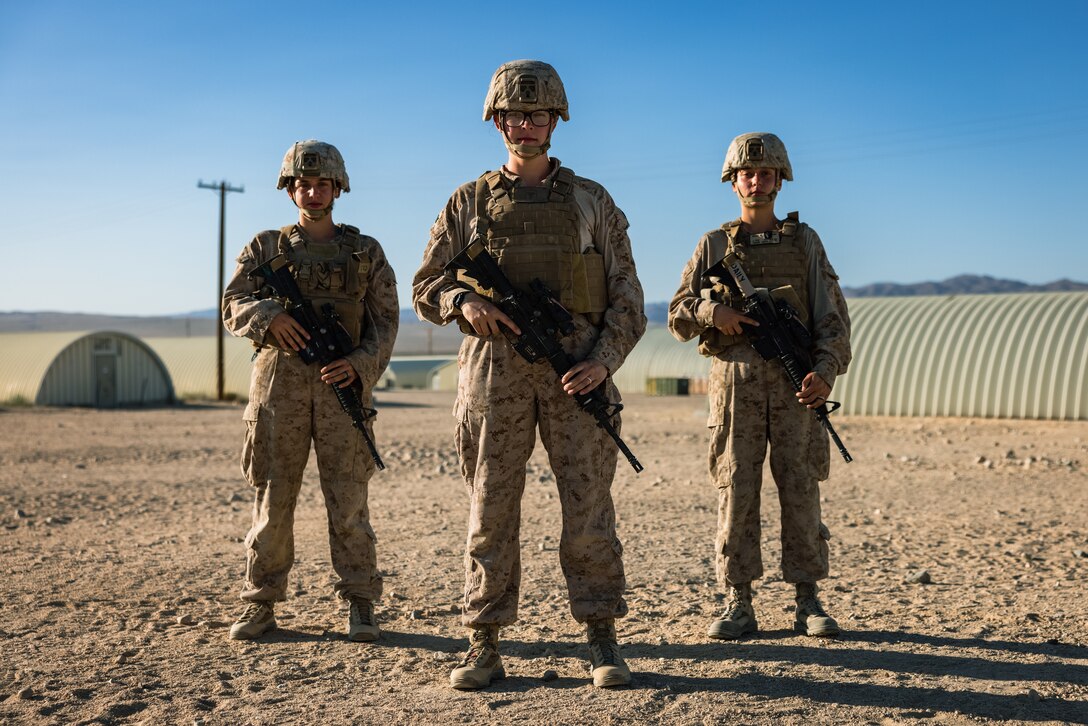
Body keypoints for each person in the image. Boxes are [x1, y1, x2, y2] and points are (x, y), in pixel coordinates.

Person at [412, 60, 646, 689]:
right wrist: (464, 302)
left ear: (556, 120)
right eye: (513, 114)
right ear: (497, 121)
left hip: (578, 367)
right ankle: (483, 639)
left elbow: (627, 295)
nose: (525, 124)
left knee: (589, 505)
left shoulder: (593, 201)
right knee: (490, 506)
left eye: (537, 113)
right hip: (494, 370)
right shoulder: (467, 202)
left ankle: (601, 637)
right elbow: (427, 283)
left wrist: (604, 360)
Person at [668, 132, 851, 640]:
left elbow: (833, 321)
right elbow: (678, 314)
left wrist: (825, 373)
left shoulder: (806, 243)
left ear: (780, 180)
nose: (757, 180)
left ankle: (807, 601)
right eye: (747, 173)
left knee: (800, 489)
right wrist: (714, 311)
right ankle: (737, 602)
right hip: (735, 388)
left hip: (797, 390)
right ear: (733, 181)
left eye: (766, 173)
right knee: (736, 490)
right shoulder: (713, 245)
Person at [222, 140, 398, 642]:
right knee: (273, 503)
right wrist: (268, 317)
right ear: (289, 189)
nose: (313, 192)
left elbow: (385, 325)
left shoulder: (366, 253)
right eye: (303, 184)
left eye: (323, 184)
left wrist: (359, 365)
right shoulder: (264, 249)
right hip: (280, 391)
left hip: (342, 390)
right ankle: (260, 603)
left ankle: (360, 602)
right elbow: (233, 302)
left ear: (338, 188)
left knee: (349, 502)